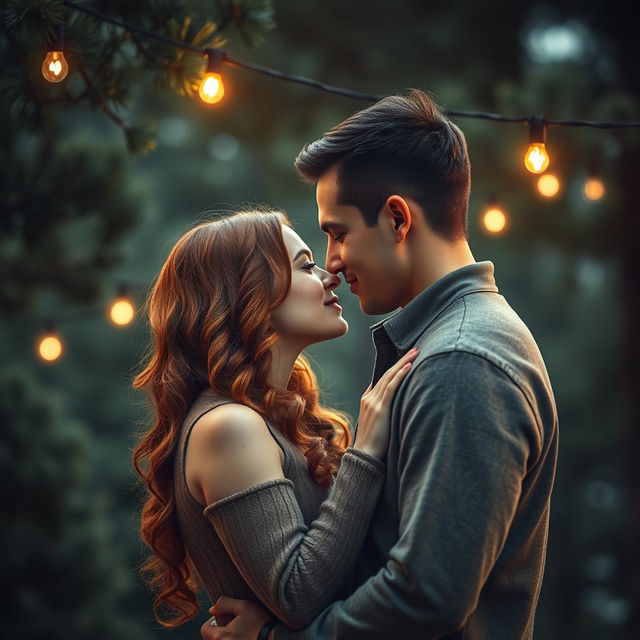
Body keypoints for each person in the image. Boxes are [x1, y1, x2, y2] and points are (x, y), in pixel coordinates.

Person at [201, 90, 559, 640]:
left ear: (397, 218)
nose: (333, 264)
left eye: (337, 233)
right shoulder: (449, 344)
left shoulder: (463, 361)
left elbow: (426, 596)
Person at [132, 210, 419, 633]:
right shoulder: (228, 427)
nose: (330, 274)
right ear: (247, 294)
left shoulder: (272, 419)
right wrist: (366, 452)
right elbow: (298, 596)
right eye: (306, 265)